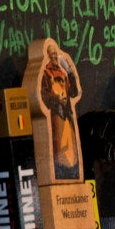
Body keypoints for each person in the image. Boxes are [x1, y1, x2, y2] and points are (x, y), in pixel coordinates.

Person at [41, 43, 80, 179]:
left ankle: (71, 172)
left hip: (67, 114)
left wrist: (70, 71)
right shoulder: (47, 73)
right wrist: (56, 98)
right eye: (51, 55)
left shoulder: (63, 73)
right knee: (60, 148)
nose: (54, 57)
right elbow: (44, 95)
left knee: (71, 150)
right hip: (57, 114)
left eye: (55, 54)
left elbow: (74, 92)